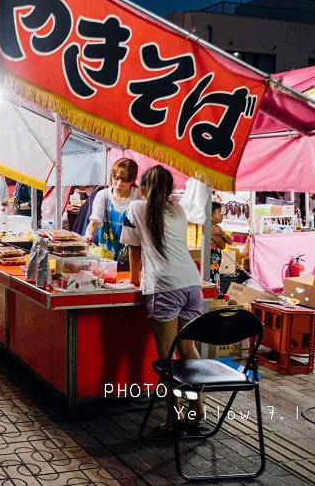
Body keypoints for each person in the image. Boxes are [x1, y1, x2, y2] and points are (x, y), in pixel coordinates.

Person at [121, 165, 204, 434]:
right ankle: (196, 410)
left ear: (142, 188)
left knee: (166, 359)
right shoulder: (178, 210)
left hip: (164, 286)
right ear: (170, 189)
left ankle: (172, 420)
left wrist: (133, 280)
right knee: (188, 351)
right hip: (192, 283)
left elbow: (134, 250)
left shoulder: (136, 208)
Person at [83, 158, 139, 269]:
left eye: (125, 180)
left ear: (132, 180)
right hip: (106, 257)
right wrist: (88, 236)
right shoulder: (103, 195)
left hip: (132, 258)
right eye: (116, 178)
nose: (119, 184)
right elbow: (94, 222)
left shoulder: (139, 197)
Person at [209, 201, 233, 284]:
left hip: (215, 266)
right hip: (209, 267)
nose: (222, 214)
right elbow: (223, 245)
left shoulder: (217, 228)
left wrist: (221, 233)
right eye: (219, 211)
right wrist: (221, 234)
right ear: (211, 214)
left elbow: (230, 241)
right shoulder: (209, 227)